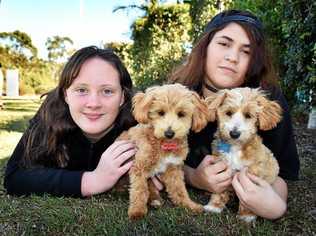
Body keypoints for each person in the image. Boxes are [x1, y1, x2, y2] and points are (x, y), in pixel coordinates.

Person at [169, 10, 300, 220]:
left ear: (254, 61)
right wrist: (194, 177)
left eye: (246, 51)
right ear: (206, 46)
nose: (232, 57)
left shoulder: (268, 99)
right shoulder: (177, 96)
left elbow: (282, 173)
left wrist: (275, 206)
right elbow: (161, 156)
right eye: (224, 43)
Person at [4, 46, 138, 197]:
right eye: (81, 90)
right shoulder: (51, 112)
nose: (93, 103)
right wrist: (91, 181)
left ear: (122, 97)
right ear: (66, 94)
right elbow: (14, 177)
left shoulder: (141, 119)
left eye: (107, 91)